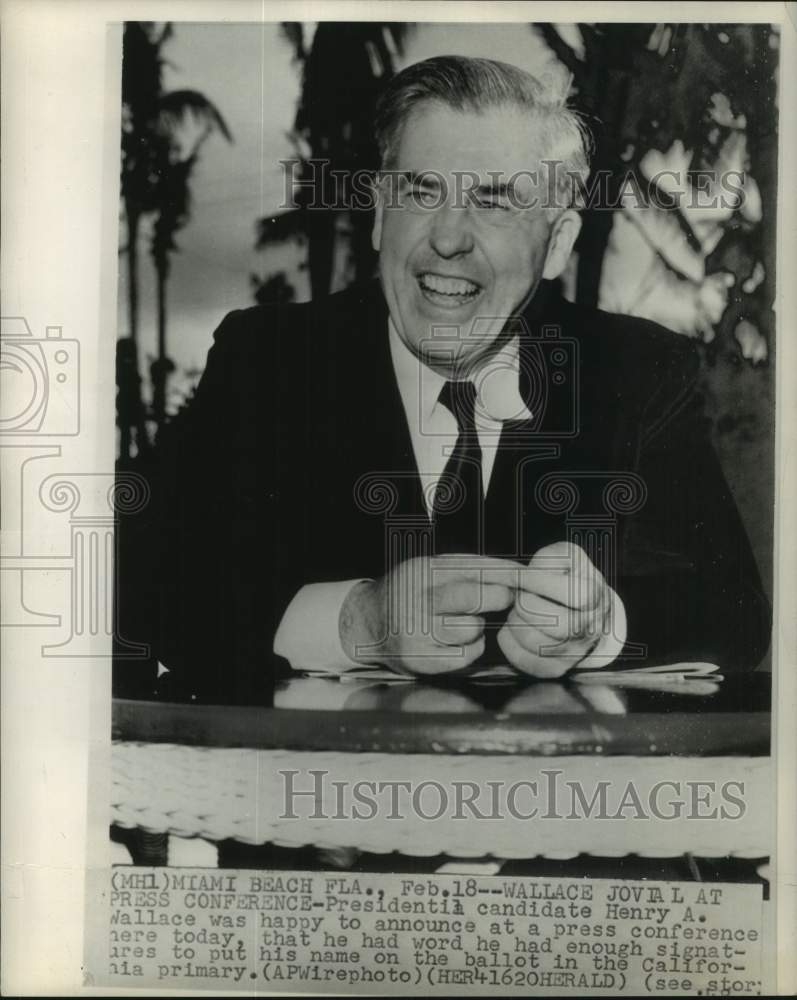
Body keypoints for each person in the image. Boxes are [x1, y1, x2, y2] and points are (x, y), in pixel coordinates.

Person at [145, 56, 770, 706]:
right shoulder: (269, 359)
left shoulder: (635, 371)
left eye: (494, 202)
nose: (446, 238)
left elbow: (734, 608)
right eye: (420, 193)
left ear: (556, 245)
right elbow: (148, 586)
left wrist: (601, 623)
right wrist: (358, 622)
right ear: (382, 214)